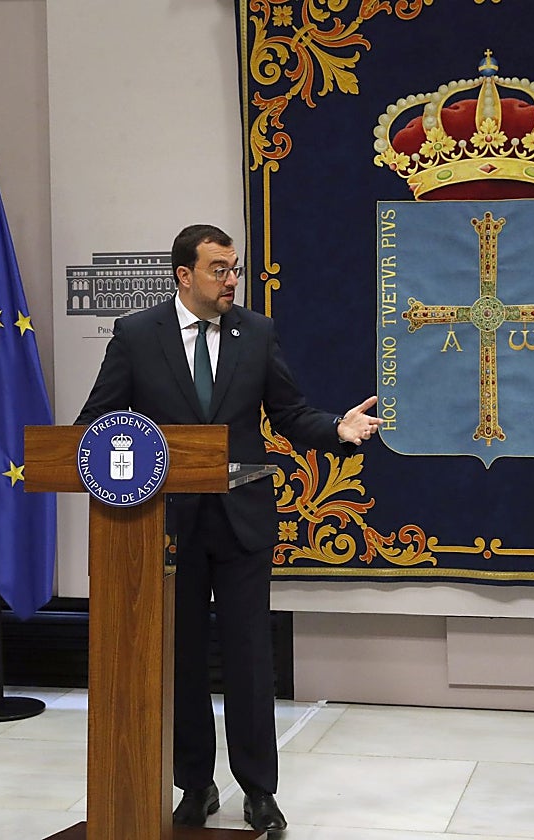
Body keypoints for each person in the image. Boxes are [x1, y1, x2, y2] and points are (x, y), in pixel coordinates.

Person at [75, 223, 381, 833]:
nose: (231, 280)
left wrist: (336, 430)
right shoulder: (137, 336)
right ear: (184, 275)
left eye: (234, 268)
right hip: (167, 527)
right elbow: (98, 419)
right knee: (183, 659)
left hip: (242, 524)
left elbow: (289, 412)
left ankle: (259, 791)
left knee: (248, 662)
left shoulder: (255, 332)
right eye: (219, 269)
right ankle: (194, 783)